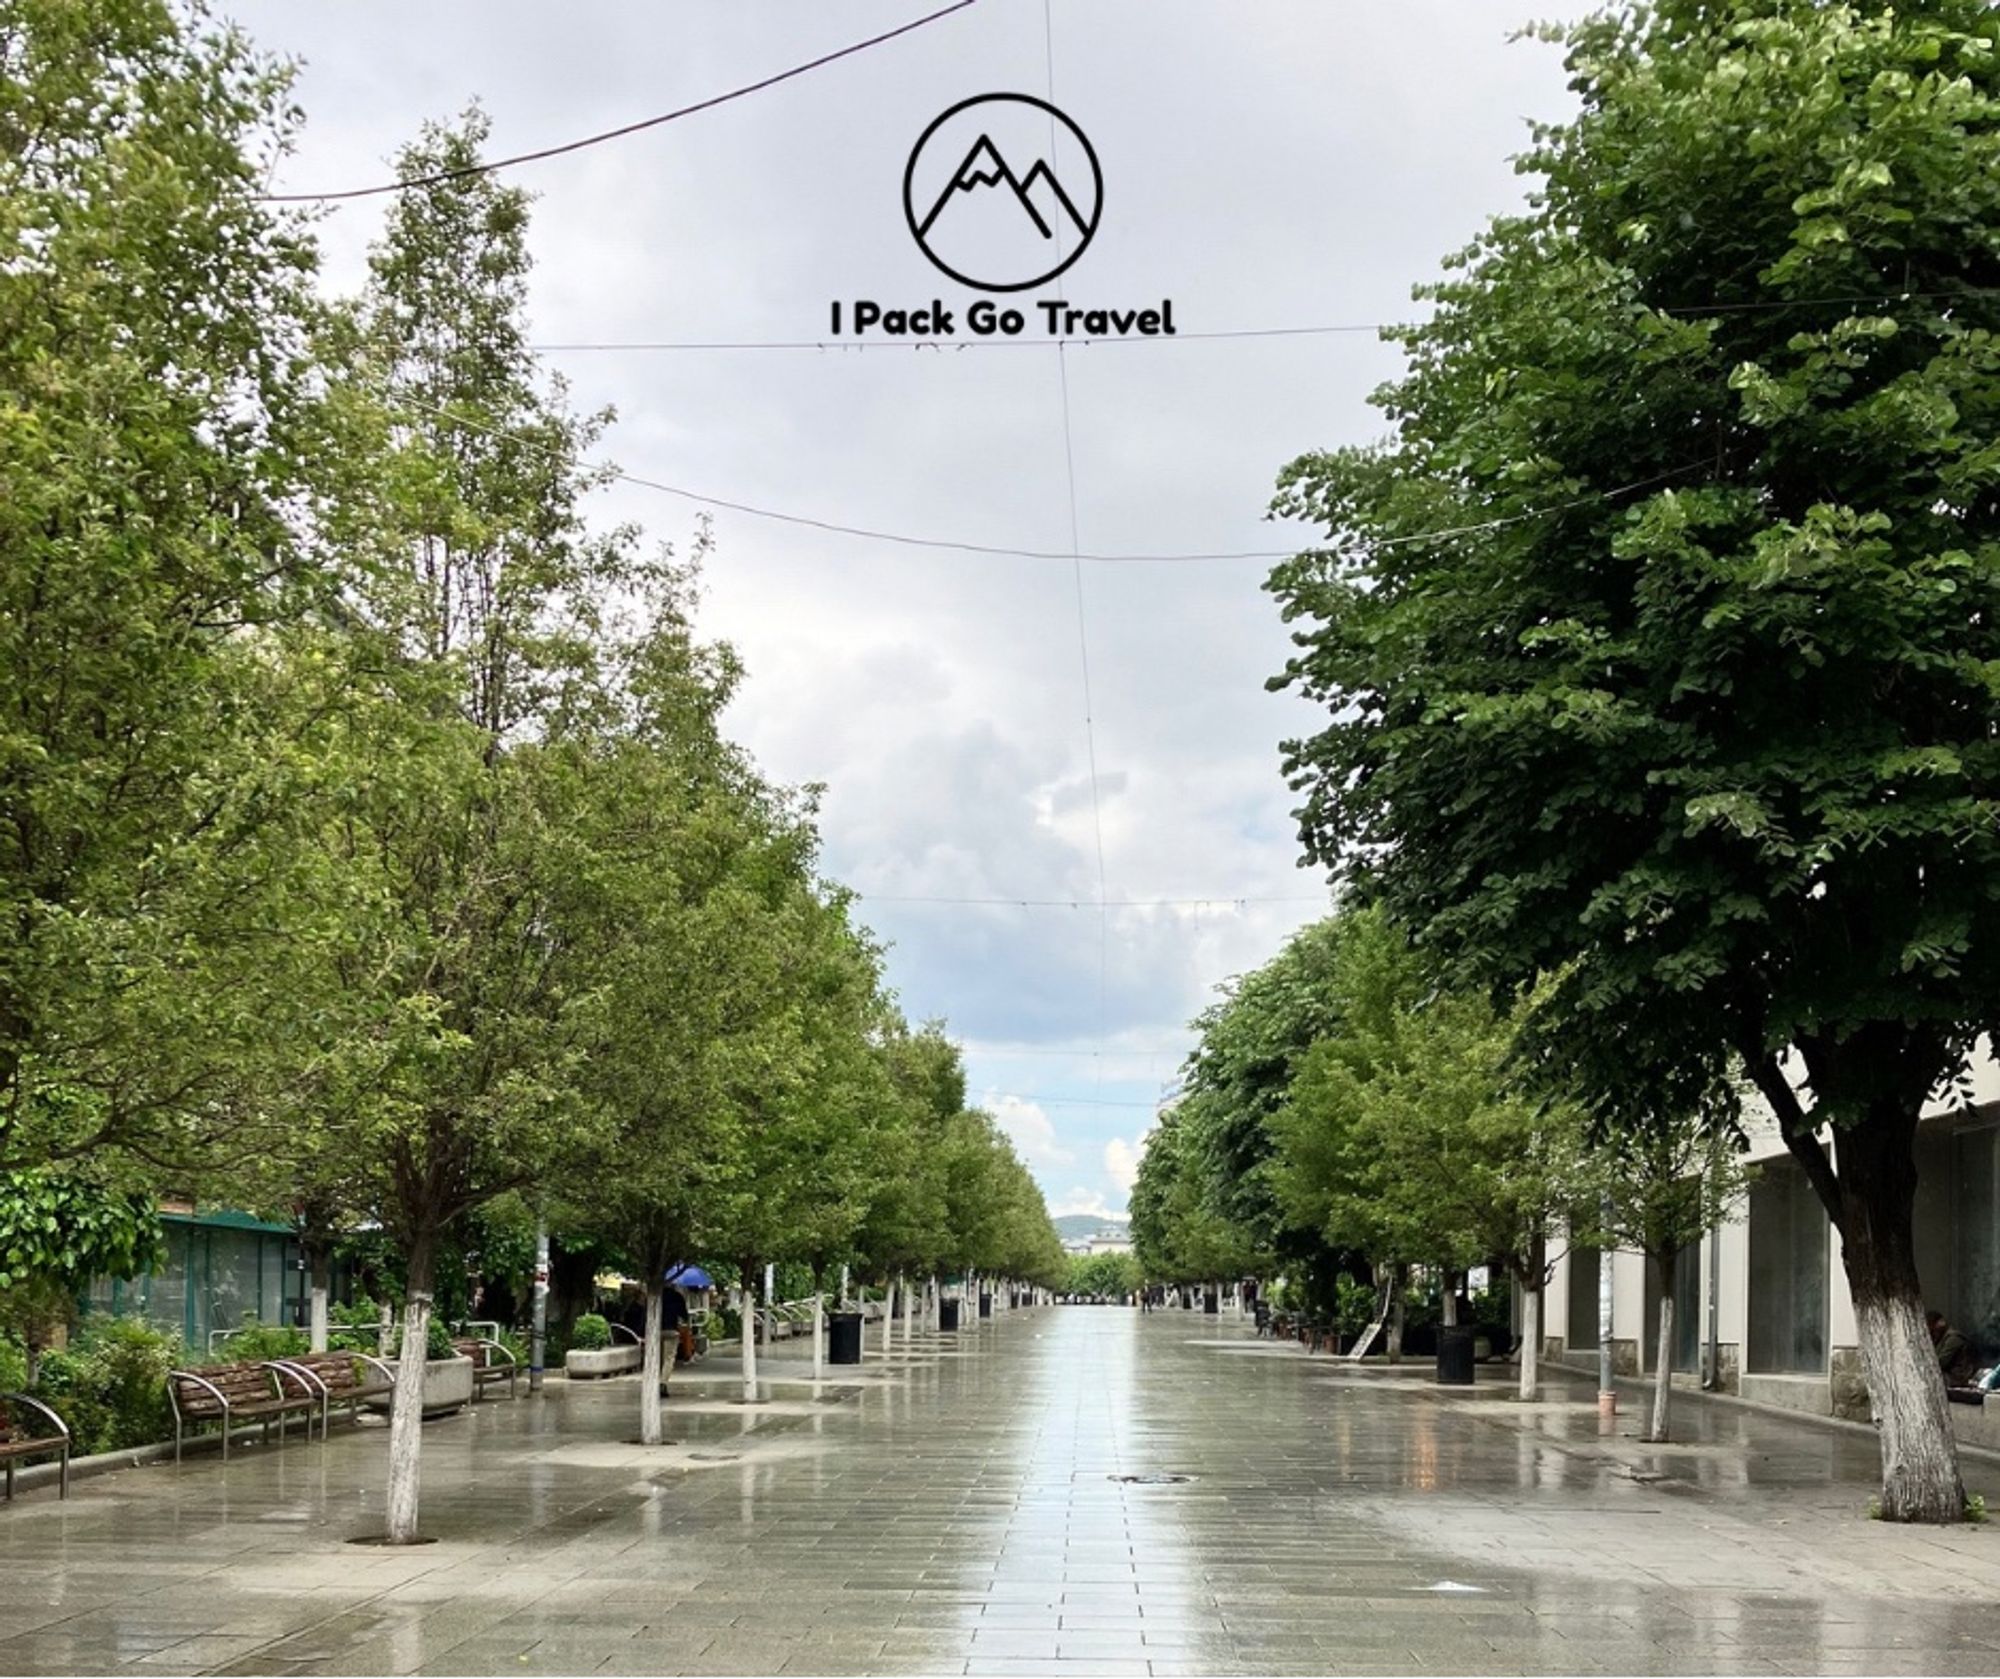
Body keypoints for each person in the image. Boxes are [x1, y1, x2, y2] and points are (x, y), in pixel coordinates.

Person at [1927, 1310, 1977, 1385]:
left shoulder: (1953, 1338)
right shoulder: (1941, 1338)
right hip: (1950, 1376)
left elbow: (1941, 1362)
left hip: (1957, 1377)